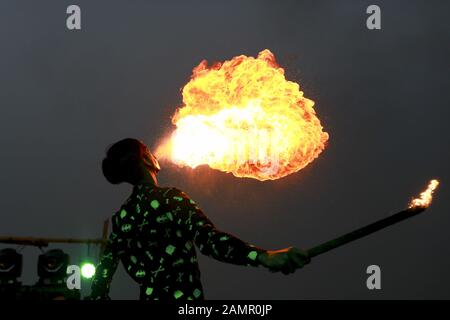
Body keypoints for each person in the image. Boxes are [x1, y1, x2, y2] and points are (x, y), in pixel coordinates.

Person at [89, 138, 310, 300]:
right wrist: (264, 256)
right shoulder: (170, 199)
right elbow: (209, 241)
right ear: (146, 157)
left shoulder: (121, 219)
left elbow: (101, 279)